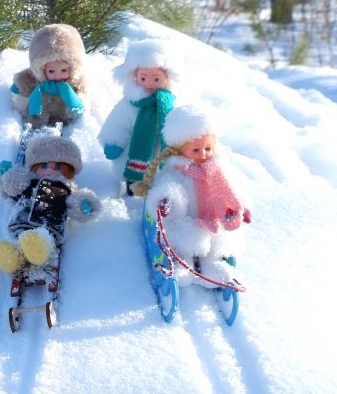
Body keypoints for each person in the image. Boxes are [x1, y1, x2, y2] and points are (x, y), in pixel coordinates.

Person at [138, 104, 251, 286]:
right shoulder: (178, 170)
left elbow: (232, 189)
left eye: (208, 148)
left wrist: (241, 207)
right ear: (180, 149)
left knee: (215, 245)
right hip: (188, 220)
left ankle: (214, 268)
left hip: (215, 220)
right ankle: (183, 264)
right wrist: (167, 200)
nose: (203, 154)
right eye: (196, 150)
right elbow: (169, 186)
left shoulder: (219, 169)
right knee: (187, 242)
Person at [0, 132, 100, 274]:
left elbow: (75, 205)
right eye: (43, 165)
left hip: (49, 227)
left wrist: (85, 206)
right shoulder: (27, 182)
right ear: (34, 167)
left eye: (57, 167)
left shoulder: (65, 189)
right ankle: (12, 256)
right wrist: (7, 176)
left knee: (40, 240)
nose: (49, 169)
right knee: (19, 241)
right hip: (20, 222)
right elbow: (11, 190)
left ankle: (39, 249)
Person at [99, 38, 179, 194]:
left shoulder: (169, 106)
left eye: (156, 79)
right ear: (135, 77)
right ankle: (131, 198)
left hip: (158, 160)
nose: (149, 83)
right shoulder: (130, 104)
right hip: (132, 158)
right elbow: (119, 123)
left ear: (167, 78)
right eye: (143, 78)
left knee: (156, 187)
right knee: (134, 188)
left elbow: (176, 129)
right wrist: (114, 141)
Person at [10, 24, 87, 128]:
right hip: (40, 115)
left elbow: (83, 91)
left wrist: (80, 103)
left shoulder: (76, 80)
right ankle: (35, 123)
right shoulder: (36, 78)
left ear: (72, 68)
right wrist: (18, 85)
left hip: (63, 116)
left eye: (63, 70)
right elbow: (22, 83)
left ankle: (68, 122)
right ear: (41, 69)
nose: (58, 75)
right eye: (51, 71)